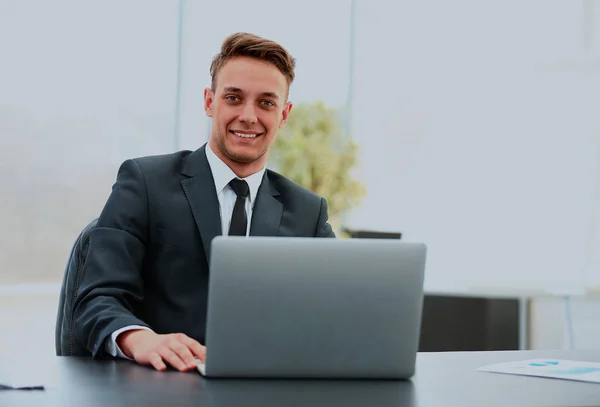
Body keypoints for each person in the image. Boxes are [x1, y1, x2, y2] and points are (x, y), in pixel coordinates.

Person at [72, 32, 335, 373]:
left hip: (266, 388)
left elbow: (333, 314)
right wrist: (140, 338)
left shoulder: (308, 212)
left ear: (284, 115)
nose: (248, 116)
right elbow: (96, 298)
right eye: (234, 98)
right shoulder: (144, 182)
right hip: (162, 386)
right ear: (210, 102)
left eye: (266, 103)